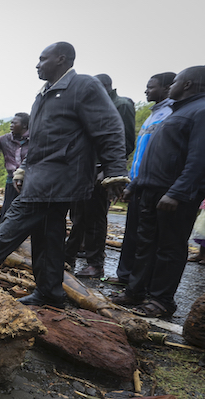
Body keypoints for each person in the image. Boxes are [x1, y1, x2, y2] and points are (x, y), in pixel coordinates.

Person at [0, 42, 128, 308]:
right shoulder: (43, 95)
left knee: (17, 217)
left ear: (61, 59)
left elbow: (109, 128)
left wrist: (116, 171)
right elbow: (39, 141)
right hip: (42, 172)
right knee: (48, 234)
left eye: (43, 59)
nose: (37, 65)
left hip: (62, 174)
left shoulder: (83, 86)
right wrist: (24, 168)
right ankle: (50, 292)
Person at [113, 66, 205, 317]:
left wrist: (177, 192)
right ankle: (136, 291)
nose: (171, 86)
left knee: (169, 248)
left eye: (175, 82)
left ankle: (161, 300)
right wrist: (135, 184)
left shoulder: (200, 111)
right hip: (151, 190)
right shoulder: (178, 111)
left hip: (173, 194)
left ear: (187, 84)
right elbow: (155, 156)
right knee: (145, 245)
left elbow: (199, 159)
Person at [63, 74, 137, 278]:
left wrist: (109, 169)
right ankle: (68, 256)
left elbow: (124, 142)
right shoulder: (93, 106)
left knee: (95, 218)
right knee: (78, 216)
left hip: (101, 171)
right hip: (84, 169)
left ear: (101, 86)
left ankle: (96, 264)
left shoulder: (121, 105)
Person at [110, 72, 176, 289]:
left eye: (151, 87)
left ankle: (142, 284)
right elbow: (141, 153)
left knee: (149, 238)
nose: (146, 90)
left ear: (167, 88)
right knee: (132, 233)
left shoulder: (171, 114)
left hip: (155, 183)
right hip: (138, 180)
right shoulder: (153, 114)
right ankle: (125, 276)